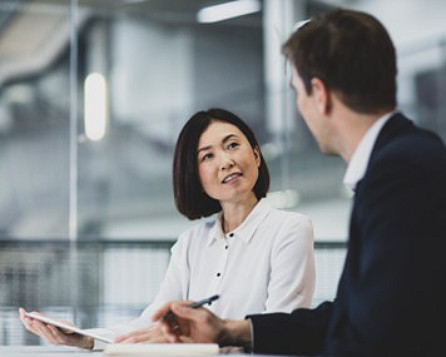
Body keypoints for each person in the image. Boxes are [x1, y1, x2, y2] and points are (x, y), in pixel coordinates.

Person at [149, 9, 446, 357]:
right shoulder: (404, 162)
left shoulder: (402, 175)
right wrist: (230, 331)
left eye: (297, 92)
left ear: (319, 93)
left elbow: (379, 338)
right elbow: (354, 317)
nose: (299, 107)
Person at [19, 108, 316, 350]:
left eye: (233, 145)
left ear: (256, 154)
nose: (226, 161)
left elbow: (282, 333)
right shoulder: (191, 244)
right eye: (207, 156)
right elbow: (151, 323)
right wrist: (86, 338)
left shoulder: (290, 230)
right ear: (195, 176)